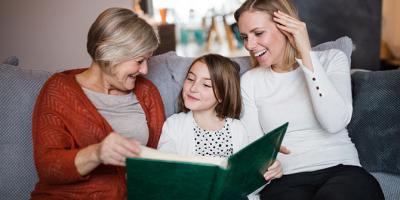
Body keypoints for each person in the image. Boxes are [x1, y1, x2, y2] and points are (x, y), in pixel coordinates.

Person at [234, 0, 384, 200]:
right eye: (244, 37)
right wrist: (264, 161)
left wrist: (306, 53)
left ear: (286, 28)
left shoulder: (332, 59)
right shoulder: (250, 81)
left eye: (258, 33)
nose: (250, 45)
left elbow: (334, 122)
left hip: (341, 170)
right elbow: (254, 148)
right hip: (285, 180)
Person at [30, 8, 165, 199]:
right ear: (109, 54)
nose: (144, 70)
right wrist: (97, 153)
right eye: (139, 61)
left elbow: (157, 159)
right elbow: (48, 167)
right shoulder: (59, 90)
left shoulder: (147, 92)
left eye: (147, 60)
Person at [157, 54, 283, 200]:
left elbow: (249, 181)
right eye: (190, 79)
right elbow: (166, 169)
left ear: (222, 95)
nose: (193, 88)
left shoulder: (237, 128)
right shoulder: (174, 125)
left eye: (206, 85)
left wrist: (268, 169)